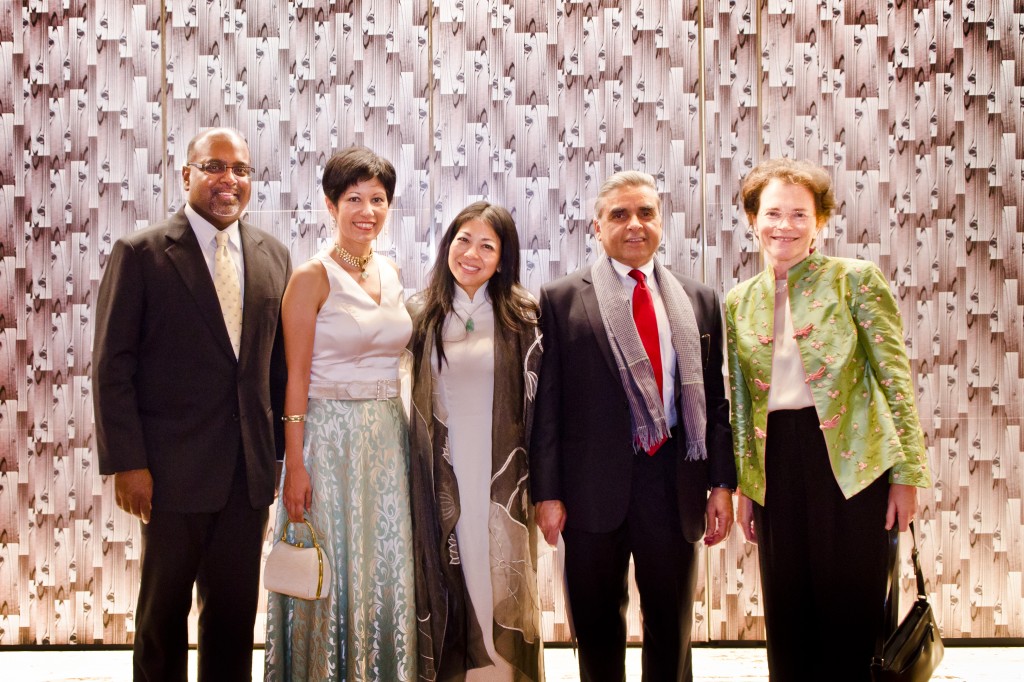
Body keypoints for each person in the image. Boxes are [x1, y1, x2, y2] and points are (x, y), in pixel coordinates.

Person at [93, 127, 291, 681]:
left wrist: (276, 456)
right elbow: (112, 368)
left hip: (244, 475)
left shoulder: (273, 256)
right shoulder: (142, 253)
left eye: (241, 170)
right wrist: (127, 464)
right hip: (167, 473)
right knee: (162, 614)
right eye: (215, 167)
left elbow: (275, 368)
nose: (229, 179)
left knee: (231, 616)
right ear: (187, 175)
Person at [726, 158, 932, 681]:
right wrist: (748, 485)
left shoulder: (855, 280)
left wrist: (906, 475)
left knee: (851, 607)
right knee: (788, 606)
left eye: (799, 213)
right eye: (772, 213)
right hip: (777, 464)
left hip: (851, 462)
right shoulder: (739, 301)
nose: (785, 225)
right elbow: (744, 402)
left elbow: (895, 382)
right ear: (753, 220)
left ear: (820, 221)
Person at [530, 171, 736, 682]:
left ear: (661, 222)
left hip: (675, 480)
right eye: (619, 214)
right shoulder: (560, 299)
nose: (635, 224)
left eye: (646, 213)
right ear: (597, 227)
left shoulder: (699, 298)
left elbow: (714, 400)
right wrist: (547, 492)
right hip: (590, 488)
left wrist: (722, 483)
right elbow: (547, 406)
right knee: (598, 626)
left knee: (672, 625)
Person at [264, 146, 417, 681]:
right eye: (354, 198)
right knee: (327, 566)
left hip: (386, 437)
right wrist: (295, 464)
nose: (366, 211)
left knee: (382, 567)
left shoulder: (393, 273)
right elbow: (296, 379)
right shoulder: (312, 278)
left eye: (378, 199)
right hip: (327, 439)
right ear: (331, 205)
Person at [407, 202, 544, 681]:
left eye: (488, 245)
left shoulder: (524, 316)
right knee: (446, 575)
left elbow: (542, 407)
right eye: (463, 239)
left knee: (497, 577)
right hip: (438, 474)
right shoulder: (418, 314)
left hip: (502, 474)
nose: (472, 252)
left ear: (503, 258)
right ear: (448, 245)